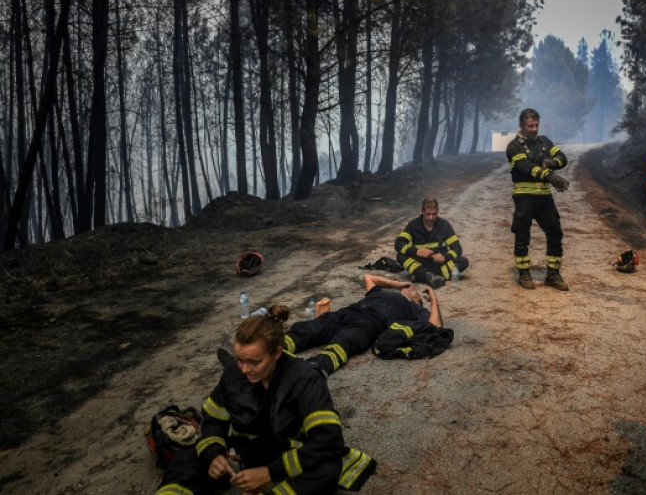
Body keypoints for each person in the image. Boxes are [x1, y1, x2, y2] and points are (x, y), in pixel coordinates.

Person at [155, 311, 376, 495]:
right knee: (186, 460)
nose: (244, 369)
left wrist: (270, 473)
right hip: (246, 452)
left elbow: (328, 441)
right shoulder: (234, 373)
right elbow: (212, 420)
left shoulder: (306, 380)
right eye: (240, 360)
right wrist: (214, 456)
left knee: (327, 470)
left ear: (277, 353)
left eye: (254, 362)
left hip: (284, 455)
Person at [283, 274, 453, 375]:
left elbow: (435, 326)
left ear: (418, 302)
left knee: (345, 341)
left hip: (370, 322)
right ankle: (278, 347)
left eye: (415, 292)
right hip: (350, 311)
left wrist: (433, 299)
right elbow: (368, 278)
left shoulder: (415, 310)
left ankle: (314, 368)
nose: (412, 288)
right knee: (312, 328)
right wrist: (398, 284)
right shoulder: (382, 293)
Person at [505, 108, 570, 291]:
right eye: (530, 126)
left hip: (544, 198)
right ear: (521, 125)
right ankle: (524, 273)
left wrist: (551, 162)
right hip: (524, 198)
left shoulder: (545, 141)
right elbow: (525, 167)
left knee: (555, 233)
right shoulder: (514, 147)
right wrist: (549, 175)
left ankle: (553, 275)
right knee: (522, 235)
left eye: (536, 125)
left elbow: (562, 158)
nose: (534, 129)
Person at [395, 197, 469, 289]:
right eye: (428, 214)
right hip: (421, 261)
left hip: (439, 263)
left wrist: (445, 257)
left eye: (434, 214)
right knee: (400, 256)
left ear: (438, 211)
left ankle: (423, 275)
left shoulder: (444, 225)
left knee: (463, 261)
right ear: (422, 211)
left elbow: (457, 249)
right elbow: (399, 243)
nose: (431, 217)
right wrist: (416, 252)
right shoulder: (413, 225)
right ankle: (431, 275)